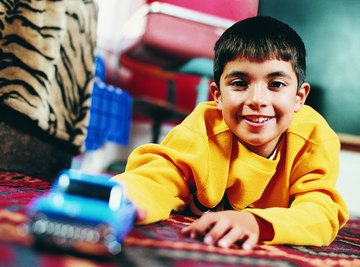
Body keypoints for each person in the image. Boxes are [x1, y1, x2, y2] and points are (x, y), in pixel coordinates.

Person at [112, 16, 349, 250]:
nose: (257, 100)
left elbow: (321, 212)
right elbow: (156, 177)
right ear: (218, 96)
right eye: (239, 83)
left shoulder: (313, 139)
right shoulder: (203, 129)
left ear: (299, 98)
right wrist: (121, 196)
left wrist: (256, 223)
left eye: (276, 84)